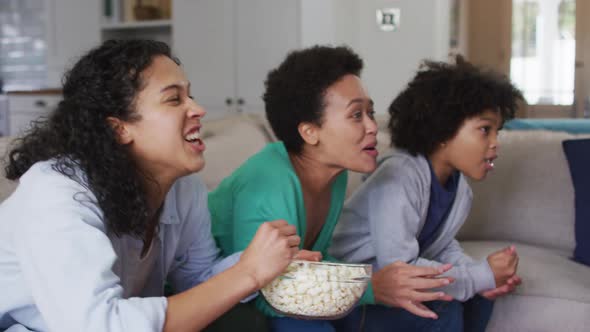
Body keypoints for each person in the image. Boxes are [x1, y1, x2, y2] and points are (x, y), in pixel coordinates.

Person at [0, 39, 301, 332]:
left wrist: (264, 262)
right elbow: (99, 326)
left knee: (243, 323)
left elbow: (199, 282)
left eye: (191, 96)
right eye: (174, 99)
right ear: (119, 128)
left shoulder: (183, 188)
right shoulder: (56, 192)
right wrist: (248, 272)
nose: (198, 109)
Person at [208, 45, 455, 331]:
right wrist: (371, 286)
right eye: (356, 115)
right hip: (238, 303)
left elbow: (317, 261)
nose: (373, 127)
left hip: (291, 293)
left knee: (432, 307)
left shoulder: (332, 174)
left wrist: (384, 282)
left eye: (370, 112)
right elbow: (269, 291)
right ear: (310, 132)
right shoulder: (270, 182)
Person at [330, 56, 524, 331]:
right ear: (443, 130)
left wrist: (484, 277)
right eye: (485, 130)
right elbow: (401, 270)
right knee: (443, 306)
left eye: (497, 131)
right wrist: (479, 276)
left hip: (393, 288)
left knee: (479, 299)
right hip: (357, 295)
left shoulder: (460, 190)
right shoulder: (399, 175)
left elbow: (441, 245)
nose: (495, 144)